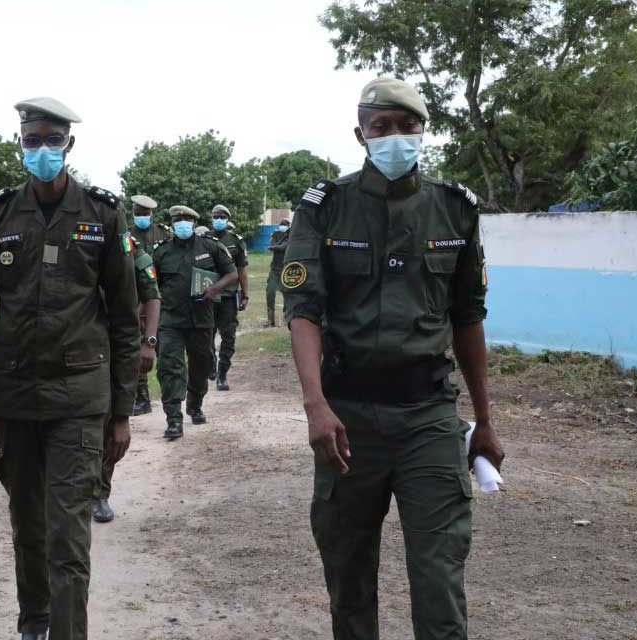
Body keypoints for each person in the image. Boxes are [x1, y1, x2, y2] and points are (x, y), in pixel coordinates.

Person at [282, 77, 505, 640]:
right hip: (348, 419)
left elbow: (468, 318)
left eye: (408, 126)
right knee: (349, 578)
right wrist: (315, 405)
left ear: (423, 132)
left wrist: (486, 421)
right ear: (360, 134)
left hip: (428, 416)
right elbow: (304, 310)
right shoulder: (327, 209)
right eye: (381, 127)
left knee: (439, 580)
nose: (395, 137)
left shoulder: (453, 209)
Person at [0, 97, 139, 640]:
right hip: (15, 397)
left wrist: (121, 413)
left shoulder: (103, 215)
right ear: (20, 144)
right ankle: (33, 624)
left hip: (79, 400)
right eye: (32, 140)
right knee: (28, 528)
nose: (41, 150)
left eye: (52, 140)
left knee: (68, 536)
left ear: (69, 145)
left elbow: (125, 321)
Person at [151, 205, 236, 438]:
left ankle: (195, 404)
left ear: (193, 221)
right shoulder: (161, 252)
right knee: (170, 367)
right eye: (177, 220)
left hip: (202, 319)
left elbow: (232, 273)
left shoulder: (210, 246)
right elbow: (150, 284)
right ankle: (173, 419)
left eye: (186, 219)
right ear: (172, 223)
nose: (182, 224)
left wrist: (214, 289)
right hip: (170, 320)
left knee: (203, 364)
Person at [93, 238, 160, 523]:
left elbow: (153, 296)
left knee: (113, 423)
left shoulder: (132, 250)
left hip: (119, 345)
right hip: (79, 344)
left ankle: (99, 492)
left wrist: (149, 342)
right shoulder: (80, 241)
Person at [128, 194, 170, 416]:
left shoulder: (163, 234)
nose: (140, 217)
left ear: (151, 214)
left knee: (163, 349)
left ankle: (169, 393)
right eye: (137, 214)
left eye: (144, 214)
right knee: (138, 348)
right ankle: (142, 397)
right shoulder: (127, 235)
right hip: (136, 298)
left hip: (160, 298)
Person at [207, 205, 249, 390]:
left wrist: (245, 295)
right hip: (208, 296)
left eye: (222, 216)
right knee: (206, 334)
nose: (218, 219)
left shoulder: (235, 241)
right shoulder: (203, 238)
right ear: (211, 218)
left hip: (228, 297)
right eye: (216, 216)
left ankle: (222, 373)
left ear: (227, 219)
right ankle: (211, 365)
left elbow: (241, 271)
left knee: (229, 336)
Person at [265, 216, 291, 327]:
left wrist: (275, 246)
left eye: (284, 224)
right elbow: (271, 245)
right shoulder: (276, 234)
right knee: (270, 293)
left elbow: (283, 247)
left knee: (287, 295)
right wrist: (275, 245)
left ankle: (287, 318)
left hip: (286, 269)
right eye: (281, 224)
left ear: (289, 226)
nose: (282, 226)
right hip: (275, 269)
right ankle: (270, 320)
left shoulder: (291, 235)